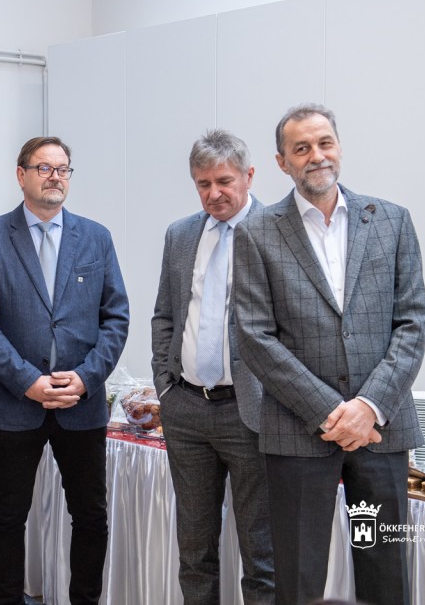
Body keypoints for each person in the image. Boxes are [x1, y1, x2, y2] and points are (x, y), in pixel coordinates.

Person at [233, 104, 425, 605]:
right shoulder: (256, 232)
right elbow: (255, 337)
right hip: (300, 433)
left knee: (386, 576)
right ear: (282, 162)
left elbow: (412, 322)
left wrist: (368, 407)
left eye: (324, 143)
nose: (316, 156)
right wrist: (330, 411)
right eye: (301, 148)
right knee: (298, 581)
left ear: (339, 147)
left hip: (381, 431)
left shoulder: (392, 220)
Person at [0, 137, 130, 605]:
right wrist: (27, 381)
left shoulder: (96, 237)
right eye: (44, 168)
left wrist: (87, 378)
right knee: (6, 518)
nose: (55, 176)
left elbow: (116, 317)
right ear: (21, 175)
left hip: (81, 403)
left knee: (90, 517)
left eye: (62, 168)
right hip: (14, 404)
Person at [151, 130, 274, 604]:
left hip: (252, 413)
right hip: (186, 410)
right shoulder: (181, 234)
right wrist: (165, 385)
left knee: (262, 555)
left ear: (249, 176)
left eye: (224, 181)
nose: (213, 193)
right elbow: (165, 314)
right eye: (203, 184)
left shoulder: (278, 231)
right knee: (194, 551)